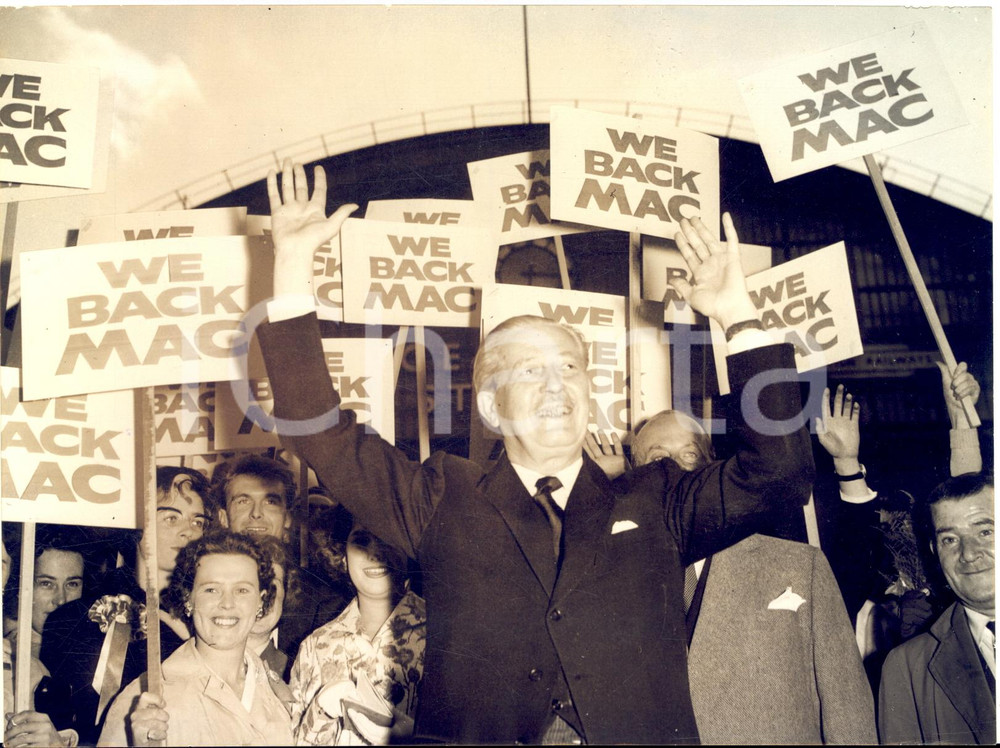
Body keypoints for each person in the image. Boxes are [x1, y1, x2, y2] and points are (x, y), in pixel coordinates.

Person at [255, 160, 814, 743]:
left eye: (569, 367)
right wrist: (292, 268)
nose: (555, 384)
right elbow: (322, 433)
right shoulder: (442, 495)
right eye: (531, 370)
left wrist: (736, 315)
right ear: (494, 409)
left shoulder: (655, 495)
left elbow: (780, 475)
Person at [612, 390, 876, 744]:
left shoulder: (798, 566)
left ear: (712, 465)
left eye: (688, 455)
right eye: (658, 459)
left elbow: (847, 709)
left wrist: (847, 464)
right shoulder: (606, 572)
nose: (674, 469)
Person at [39, 467, 210, 745]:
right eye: (171, 518)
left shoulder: (209, 620)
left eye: (197, 522)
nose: (187, 532)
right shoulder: (74, 617)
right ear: (137, 526)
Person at [98, 531, 294, 747]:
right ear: (188, 598)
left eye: (242, 590)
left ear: (261, 601)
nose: (227, 603)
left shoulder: (278, 692)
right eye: (211, 590)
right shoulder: (144, 700)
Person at [291, 508, 425, 745]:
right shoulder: (315, 648)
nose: (375, 554)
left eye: (388, 539)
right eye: (361, 541)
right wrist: (320, 712)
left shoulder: (444, 635)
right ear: (342, 555)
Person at [878, 473, 995, 745]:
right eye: (950, 540)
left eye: (985, 531)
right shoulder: (906, 669)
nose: (968, 553)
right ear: (935, 551)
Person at [212, 454, 350, 673]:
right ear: (223, 517)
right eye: (243, 501)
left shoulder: (324, 606)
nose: (256, 514)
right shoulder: (200, 596)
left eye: (270, 502)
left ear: (287, 518)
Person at [3, 535, 80, 748]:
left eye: (72, 584)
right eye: (46, 583)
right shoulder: (12, 658)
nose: (61, 599)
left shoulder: (91, 655)